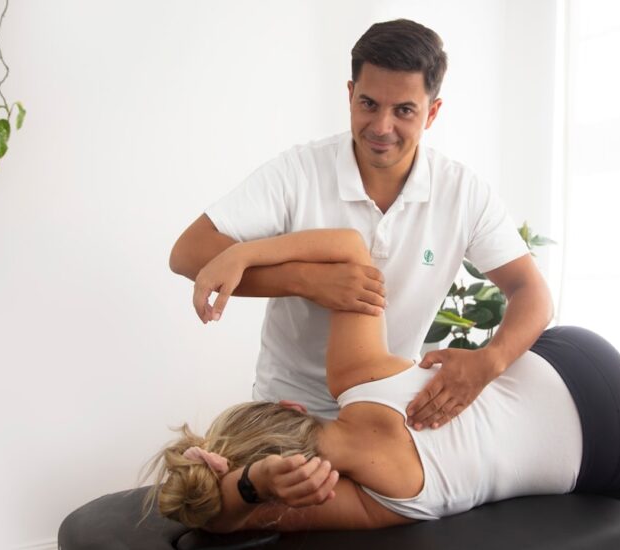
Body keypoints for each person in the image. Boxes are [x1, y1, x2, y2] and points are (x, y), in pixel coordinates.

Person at [145, 228, 620, 532]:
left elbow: (217, 519)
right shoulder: (356, 378)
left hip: (606, 456)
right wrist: (244, 253)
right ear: (289, 406)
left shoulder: (358, 501)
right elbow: (353, 247)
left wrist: (250, 485)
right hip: (582, 359)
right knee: (580, 378)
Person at [168, 18, 553, 438]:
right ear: (350, 95)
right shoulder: (299, 172)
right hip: (286, 409)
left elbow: (531, 291)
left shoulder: (462, 192)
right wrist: (307, 279)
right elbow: (189, 251)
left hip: (387, 405)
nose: (382, 127)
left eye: (404, 110)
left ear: (432, 113)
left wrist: (489, 362)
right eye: (369, 104)